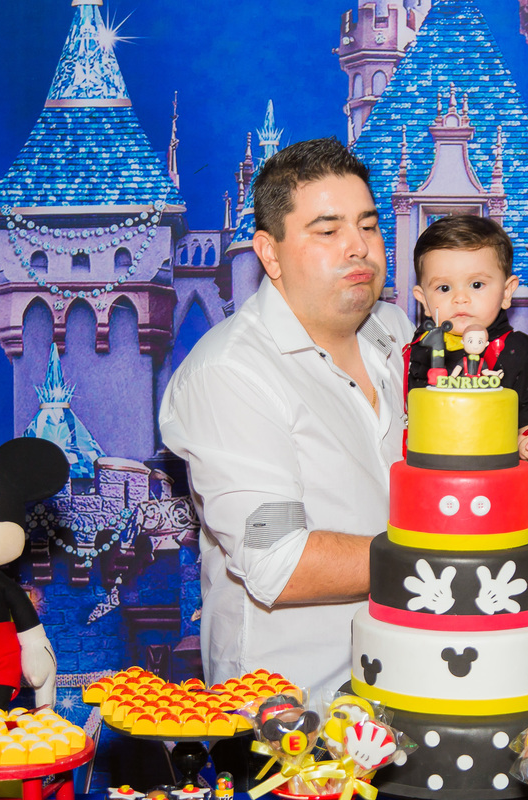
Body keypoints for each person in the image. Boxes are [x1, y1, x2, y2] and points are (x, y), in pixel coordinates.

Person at [159, 138, 413, 700]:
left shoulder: (395, 332)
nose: (359, 247)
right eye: (327, 231)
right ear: (269, 255)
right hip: (291, 713)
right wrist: (442, 554)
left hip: (409, 683)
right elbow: (279, 559)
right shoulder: (231, 373)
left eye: (368, 225)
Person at [406, 214, 528, 433]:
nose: (460, 298)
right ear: (424, 300)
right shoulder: (421, 345)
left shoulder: (520, 351)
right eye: (444, 288)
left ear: (506, 292)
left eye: (477, 284)